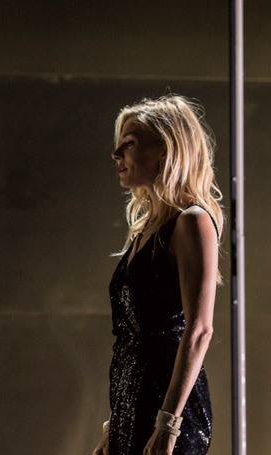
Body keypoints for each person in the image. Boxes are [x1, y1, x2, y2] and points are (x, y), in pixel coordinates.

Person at [92, 95, 223, 455]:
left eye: (129, 143)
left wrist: (169, 425)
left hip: (168, 413)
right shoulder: (147, 228)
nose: (116, 154)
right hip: (132, 406)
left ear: (165, 150)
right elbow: (131, 343)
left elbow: (199, 331)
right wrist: (114, 423)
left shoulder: (192, 221)